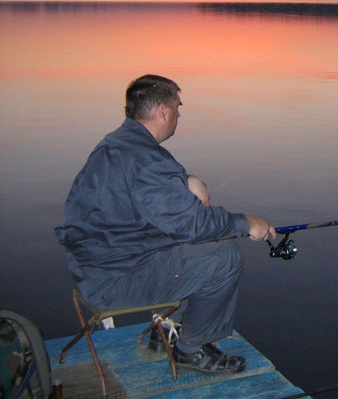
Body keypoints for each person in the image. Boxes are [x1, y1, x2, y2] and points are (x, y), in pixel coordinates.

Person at [55, 74, 277, 375]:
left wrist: (187, 181)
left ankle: (170, 333)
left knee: (198, 242)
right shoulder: (147, 158)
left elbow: (148, 203)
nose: (179, 114)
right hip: (114, 279)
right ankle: (191, 349)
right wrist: (246, 223)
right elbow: (192, 223)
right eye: (177, 106)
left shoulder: (117, 145)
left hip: (99, 265)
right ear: (162, 111)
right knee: (224, 256)